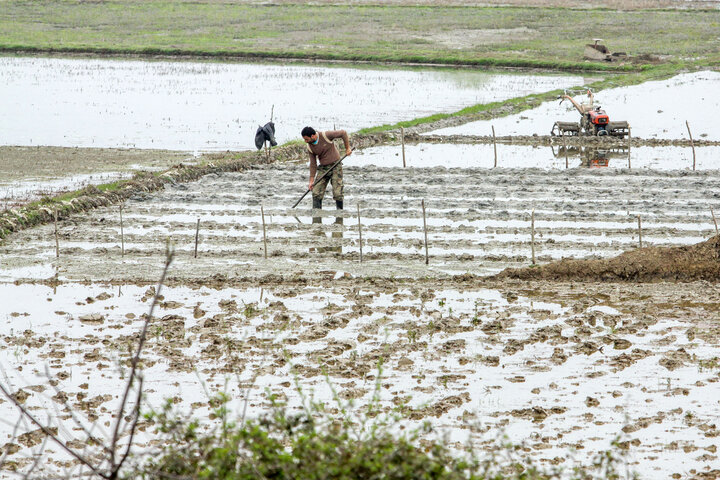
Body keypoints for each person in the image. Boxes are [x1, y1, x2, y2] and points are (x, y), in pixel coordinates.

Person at [301, 126, 352, 211]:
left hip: (336, 166)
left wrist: (347, 148)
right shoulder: (310, 147)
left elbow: (343, 133)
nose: (305, 141)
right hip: (323, 168)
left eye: (306, 139)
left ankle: (339, 215)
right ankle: (316, 216)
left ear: (313, 136)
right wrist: (311, 181)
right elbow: (313, 164)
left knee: (337, 193)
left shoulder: (325, 135)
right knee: (316, 192)